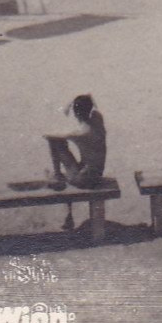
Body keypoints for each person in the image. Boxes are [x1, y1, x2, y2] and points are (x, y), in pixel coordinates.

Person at [45, 95, 108, 228]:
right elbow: (90, 96)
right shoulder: (98, 119)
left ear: (75, 113)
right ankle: (58, 175)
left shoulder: (81, 133)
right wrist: (71, 104)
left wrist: (66, 108)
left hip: (84, 179)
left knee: (55, 142)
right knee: (61, 146)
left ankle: (57, 175)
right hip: (96, 174)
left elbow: (50, 136)